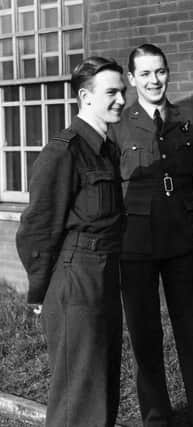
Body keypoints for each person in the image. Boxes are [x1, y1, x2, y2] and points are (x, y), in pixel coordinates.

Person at [109, 44, 193, 427]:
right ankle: (156, 418)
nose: (154, 80)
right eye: (144, 74)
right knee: (145, 337)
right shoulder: (117, 126)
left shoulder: (190, 120)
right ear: (131, 80)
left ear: (168, 73)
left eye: (160, 71)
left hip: (183, 243)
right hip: (136, 246)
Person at [15, 57, 126, 426]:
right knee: (79, 389)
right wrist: (40, 290)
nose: (121, 100)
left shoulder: (108, 149)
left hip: (104, 275)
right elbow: (37, 228)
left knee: (103, 380)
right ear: (85, 97)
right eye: (111, 92)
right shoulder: (63, 151)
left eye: (122, 92)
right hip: (74, 277)